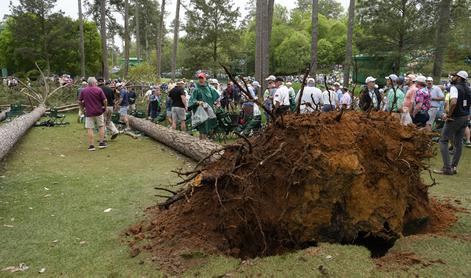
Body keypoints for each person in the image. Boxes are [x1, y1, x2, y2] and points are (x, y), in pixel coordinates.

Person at [434, 71, 471, 175]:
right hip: (465, 118)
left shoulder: (454, 87)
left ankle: (446, 168)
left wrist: (448, 115)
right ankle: (454, 167)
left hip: (455, 118)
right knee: (458, 143)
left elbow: (453, 102)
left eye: (454, 76)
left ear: (459, 78)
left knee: (443, 141)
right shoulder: (469, 89)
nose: (452, 77)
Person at [78, 77, 107, 151]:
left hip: (89, 112)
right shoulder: (99, 89)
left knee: (90, 128)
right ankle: (101, 143)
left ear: (88, 83)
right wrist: (105, 107)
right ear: (94, 82)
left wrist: (82, 109)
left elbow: (79, 101)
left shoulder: (84, 90)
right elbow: (105, 100)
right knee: (101, 126)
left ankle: (91, 145)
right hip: (99, 111)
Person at [188, 73, 220, 139]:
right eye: (199, 78)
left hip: (209, 111)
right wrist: (197, 102)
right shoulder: (196, 89)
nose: (200, 80)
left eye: (202, 78)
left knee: (207, 128)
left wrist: (217, 103)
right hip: (201, 112)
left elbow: (217, 97)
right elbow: (192, 100)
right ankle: (202, 143)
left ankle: (204, 143)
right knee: (202, 129)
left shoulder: (210, 89)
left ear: (205, 79)